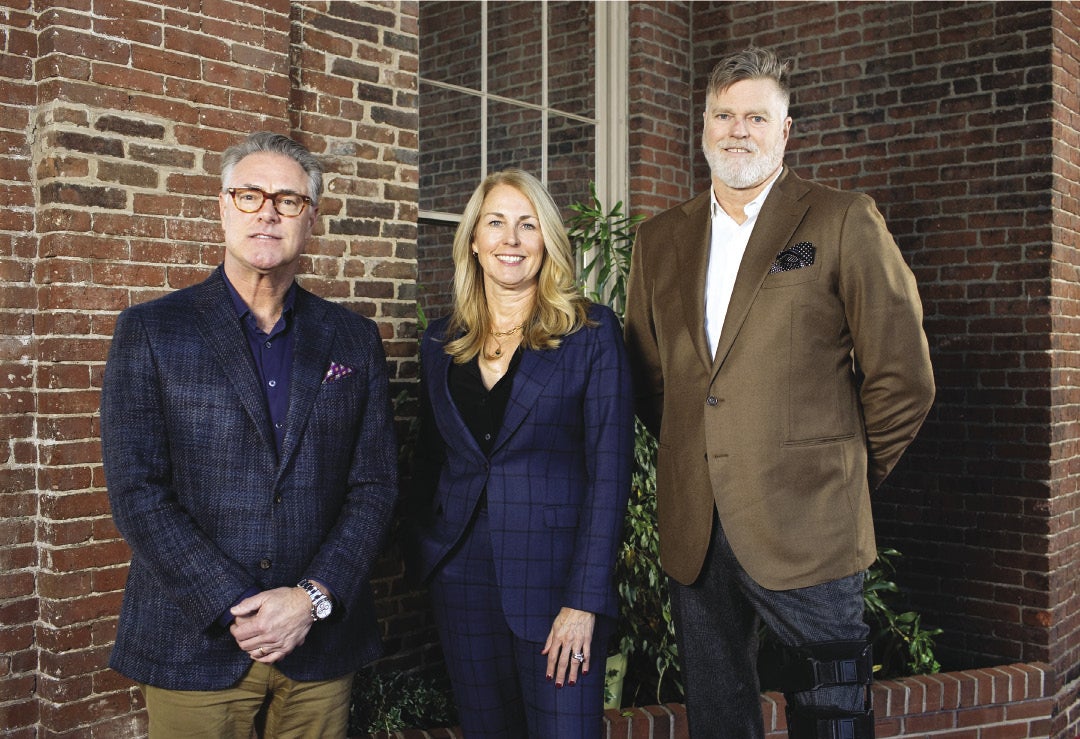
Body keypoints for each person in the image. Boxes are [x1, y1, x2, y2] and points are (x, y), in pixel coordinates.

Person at [623, 47, 935, 739]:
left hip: (810, 529)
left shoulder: (842, 219)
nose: (738, 130)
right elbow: (651, 383)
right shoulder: (657, 240)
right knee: (718, 721)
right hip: (697, 530)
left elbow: (903, 379)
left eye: (756, 117)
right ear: (702, 126)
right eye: (724, 115)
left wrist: (839, 477)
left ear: (785, 130)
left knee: (831, 719)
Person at [100, 131, 398, 738]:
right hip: (195, 641)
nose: (267, 210)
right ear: (223, 207)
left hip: (319, 645)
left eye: (288, 200)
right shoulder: (151, 331)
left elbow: (376, 485)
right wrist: (239, 605)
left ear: (311, 219)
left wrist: (309, 599)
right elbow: (138, 492)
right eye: (249, 195)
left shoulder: (353, 340)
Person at [405, 169, 634, 738]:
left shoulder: (590, 333)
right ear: (474, 242)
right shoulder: (441, 342)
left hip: (558, 590)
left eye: (527, 225)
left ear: (547, 242)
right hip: (462, 585)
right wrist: (427, 556)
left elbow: (610, 475)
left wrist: (583, 602)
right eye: (497, 223)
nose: (511, 239)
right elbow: (428, 462)